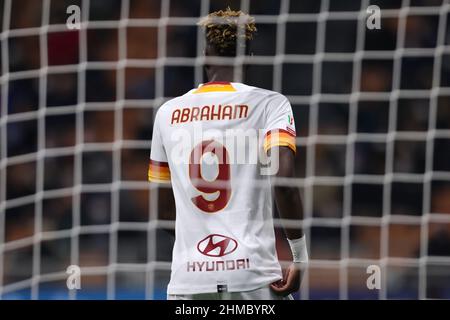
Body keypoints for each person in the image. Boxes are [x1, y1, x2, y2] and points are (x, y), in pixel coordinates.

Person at [148, 8, 308, 300]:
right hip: (254, 275)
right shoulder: (271, 104)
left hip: (189, 279)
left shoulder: (166, 114)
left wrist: (203, 245)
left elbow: (163, 213)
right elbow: (283, 183)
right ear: (248, 58)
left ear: (205, 56)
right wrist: (299, 256)